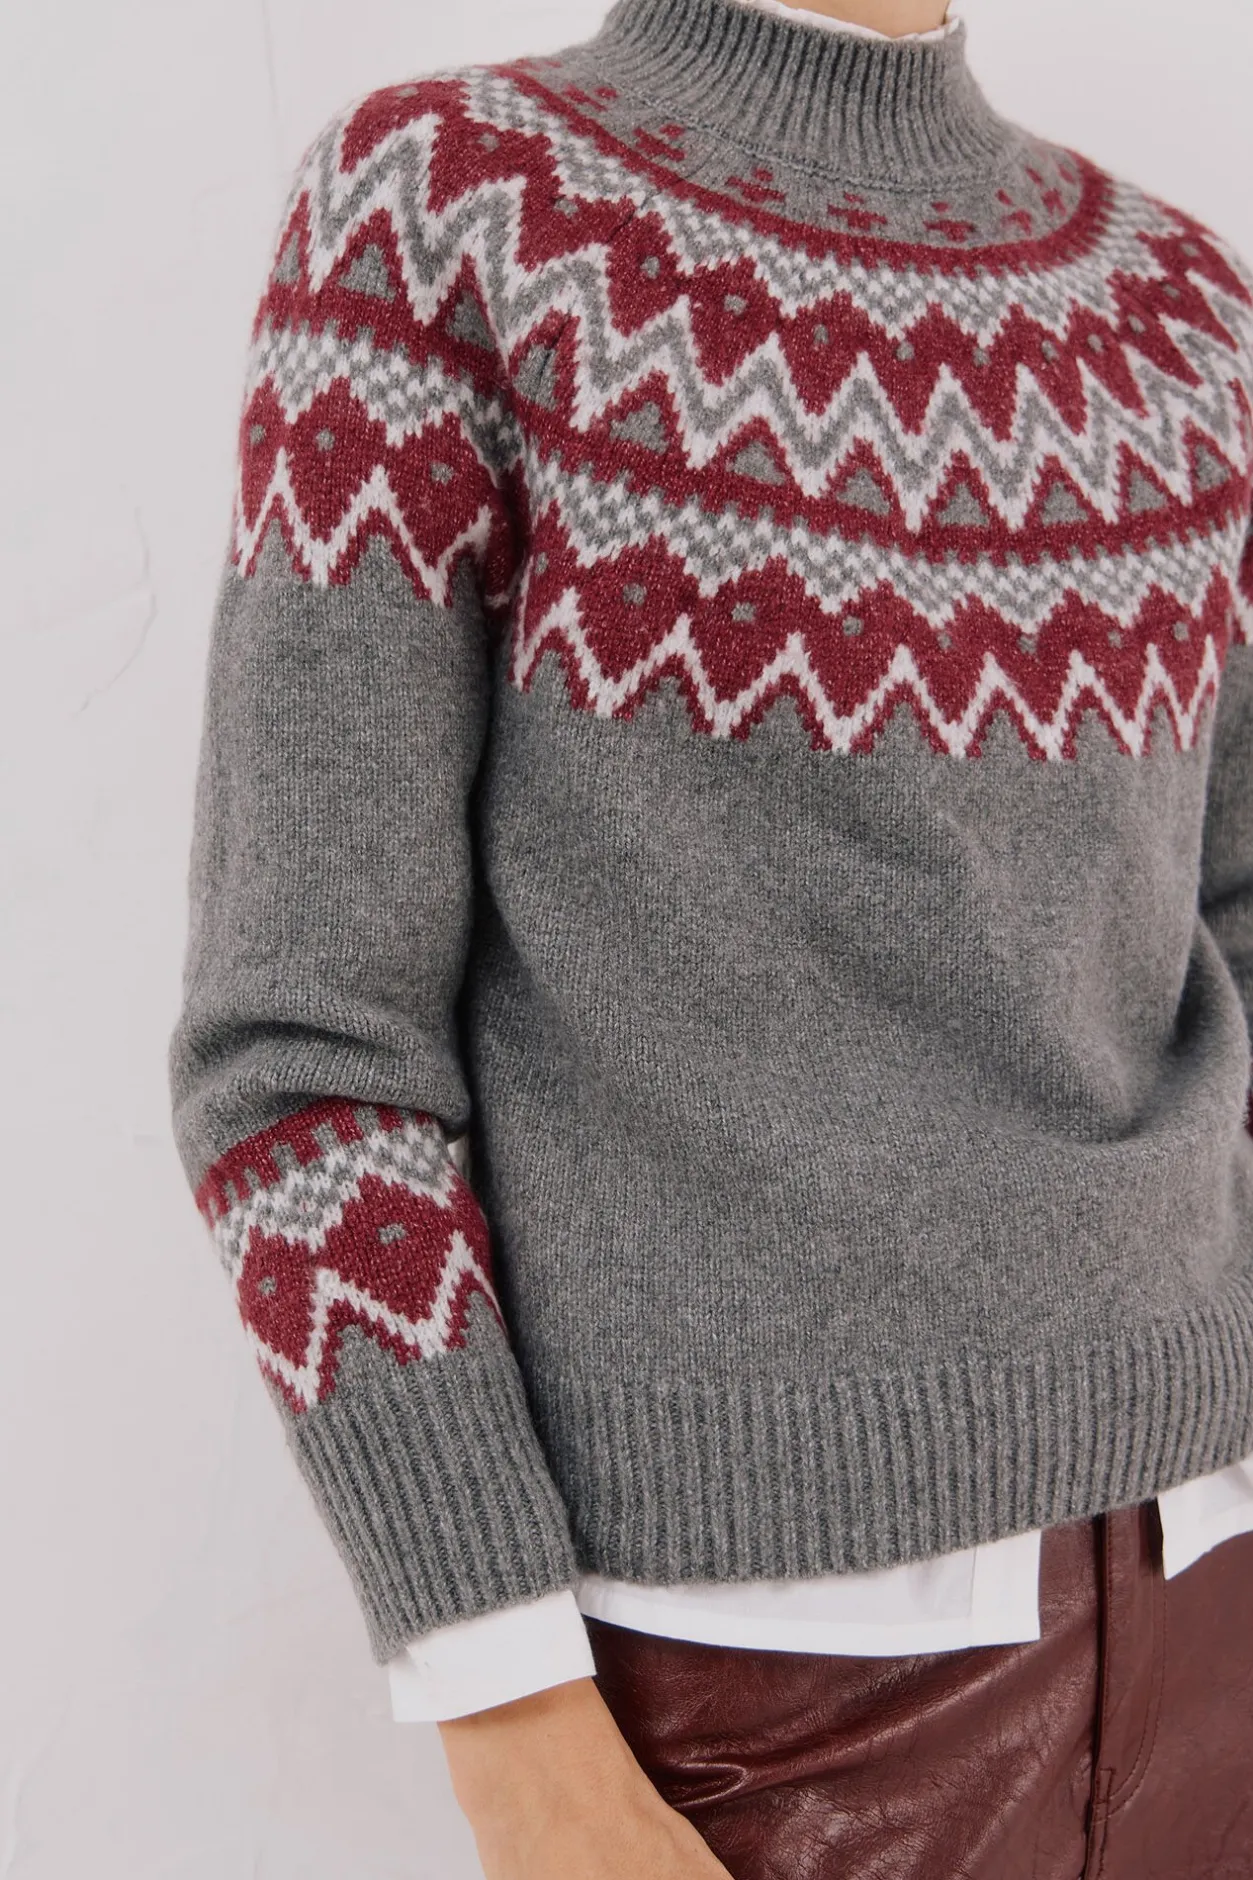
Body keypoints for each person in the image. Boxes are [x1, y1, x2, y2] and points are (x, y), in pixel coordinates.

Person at [168, 0, 1253, 1871]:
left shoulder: (1180, 302)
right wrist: (509, 1715)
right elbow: (299, 1049)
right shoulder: (453, 205)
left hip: (1215, 1593)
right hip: (761, 1681)